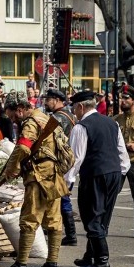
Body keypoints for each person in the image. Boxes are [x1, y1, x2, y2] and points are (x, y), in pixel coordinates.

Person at [0, 92, 70, 267]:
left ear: (20, 110)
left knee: (29, 220)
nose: (13, 121)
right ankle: (52, 264)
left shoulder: (31, 122)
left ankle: (21, 265)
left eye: (13, 116)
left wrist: (11, 168)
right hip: (54, 175)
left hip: (38, 176)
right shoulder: (46, 118)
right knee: (54, 221)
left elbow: (22, 147)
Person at [65, 90, 130, 267]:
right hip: (114, 173)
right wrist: (119, 176)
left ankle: (102, 260)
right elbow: (123, 156)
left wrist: (67, 183)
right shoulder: (112, 123)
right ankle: (90, 256)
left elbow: (75, 159)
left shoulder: (82, 127)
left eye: (74, 109)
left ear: (80, 107)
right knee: (102, 218)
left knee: (92, 218)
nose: (74, 113)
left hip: (94, 175)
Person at [43, 88, 79, 245]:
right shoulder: (70, 114)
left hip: (60, 163)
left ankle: (70, 234)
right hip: (68, 161)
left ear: (57, 100)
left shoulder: (58, 117)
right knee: (61, 196)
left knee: (62, 197)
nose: (46, 103)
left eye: (48, 100)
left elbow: (46, 138)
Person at [113, 86, 134, 239]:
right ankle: (103, 225)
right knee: (111, 193)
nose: (123, 101)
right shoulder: (117, 119)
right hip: (119, 162)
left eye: (126, 98)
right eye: (121, 98)